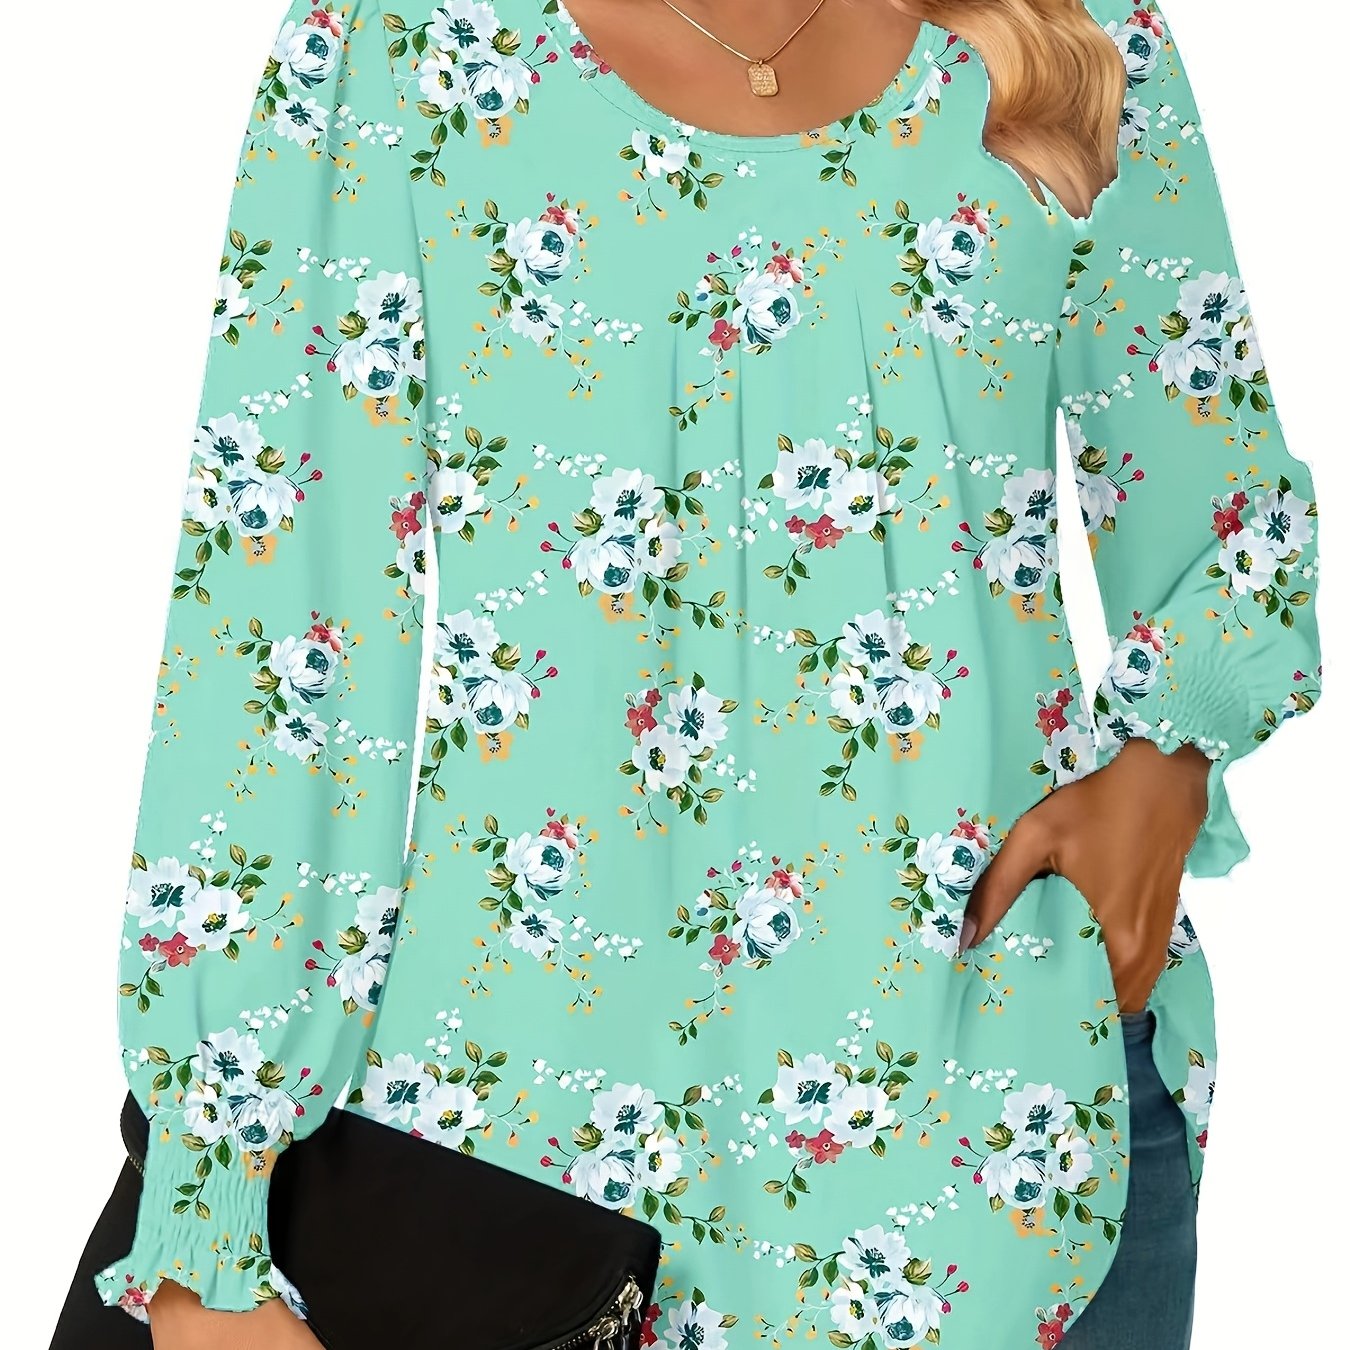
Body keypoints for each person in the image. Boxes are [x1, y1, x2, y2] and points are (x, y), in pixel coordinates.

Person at [48, 2, 1323, 1348]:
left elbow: (1222, 503)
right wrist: (212, 1221)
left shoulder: (1073, 33)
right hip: (528, 1193)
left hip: (1016, 1142)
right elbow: (282, 625)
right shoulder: (400, 46)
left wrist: (1168, 760)